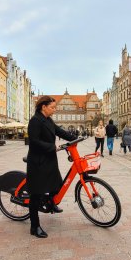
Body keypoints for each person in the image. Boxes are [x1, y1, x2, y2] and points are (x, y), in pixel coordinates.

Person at [26, 96, 76, 239]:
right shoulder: (35, 120)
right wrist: (51, 147)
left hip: (48, 159)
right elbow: (34, 142)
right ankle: (34, 227)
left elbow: (59, 131)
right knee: (36, 195)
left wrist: (74, 138)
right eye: (52, 107)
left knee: (57, 184)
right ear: (44, 107)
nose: (54, 110)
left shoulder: (48, 120)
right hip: (38, 161)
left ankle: (51, 203)